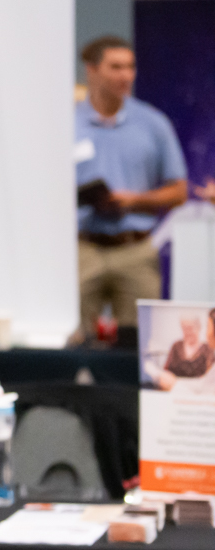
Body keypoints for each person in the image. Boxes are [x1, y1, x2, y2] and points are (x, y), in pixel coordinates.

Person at [75, 35, 187, 338]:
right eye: (115, 67)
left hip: (134, 248)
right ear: (92, 69)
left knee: (141, 344)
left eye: (130, 67)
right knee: (75, 339)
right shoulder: (67, 123)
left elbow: (179, 191)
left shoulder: (152, 123)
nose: (125, 75)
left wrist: (134, 200)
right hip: (82, 248)